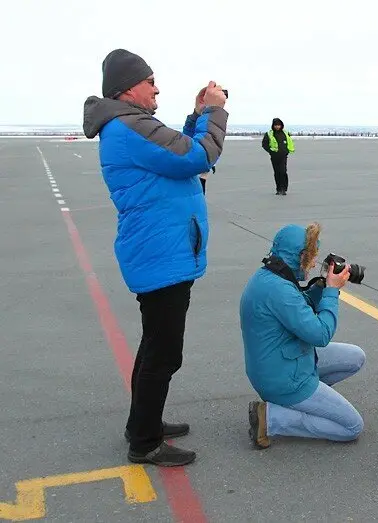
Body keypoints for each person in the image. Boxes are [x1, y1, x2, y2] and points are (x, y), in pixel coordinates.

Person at [82, 48, 228, 467]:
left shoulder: (130, 126)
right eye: (150, 81)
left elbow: (173, 149)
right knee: (164, 352)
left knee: (154, 346)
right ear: (128, 88)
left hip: (161, 250)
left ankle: (142, 423)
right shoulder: (129, 126)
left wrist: (197, 113)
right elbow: (196, 156)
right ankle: (145, 442)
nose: (156, 87)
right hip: (161, 254)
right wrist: (215, 113)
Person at [240, 222, 365, 448]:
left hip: (283, 361)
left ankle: (300, 404)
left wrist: (319, 286)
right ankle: (271, 418)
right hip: (283, 377)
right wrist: (331, 291)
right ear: (299, 256)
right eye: (311, 257)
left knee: (355, 357)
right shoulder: (279, 290)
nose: (314, 263)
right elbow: (321, 334)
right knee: (352, 427)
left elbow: (299, 307)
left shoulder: (270, 277)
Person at [261, 117, 295, 195]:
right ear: (273, 125)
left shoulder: (285, 133)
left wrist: (287, 151)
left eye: (278, 125)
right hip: (274, 156)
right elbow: (264, 144)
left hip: (283, 155)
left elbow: (290, 142)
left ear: (281, 125)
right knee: (277, 173)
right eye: (276, 125)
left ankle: (284, 189)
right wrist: (270, 151)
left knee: (283, 171)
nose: (277, 127)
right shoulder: (269, 134)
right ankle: (278, 189)